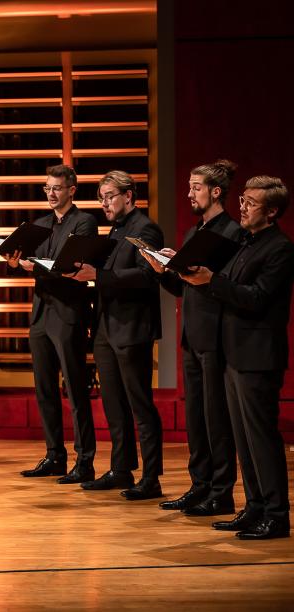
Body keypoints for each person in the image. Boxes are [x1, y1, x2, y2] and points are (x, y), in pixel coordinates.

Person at [181, 176, 293, 540]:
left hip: (257, 357)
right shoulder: (246, 241)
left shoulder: (279, 248)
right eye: (242, 200)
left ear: (272, 212)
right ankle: (254, 507)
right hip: (233, 353)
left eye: (251, 203)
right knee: (243, 440)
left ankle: (276, 515)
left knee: (261, 439)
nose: (242, 208)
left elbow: (257, 297)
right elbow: (229, 285)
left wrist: (211, 281)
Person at [143, 161, 244, 516]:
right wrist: (163, 270)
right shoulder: (193, 232)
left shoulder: (232, 232)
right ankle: (199, 485)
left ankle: (221, 492)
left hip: (216, 335)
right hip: (192, 334)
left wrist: (196, 273)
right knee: (196, 418)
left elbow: (227, 285)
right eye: (189, 187)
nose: (189, 194)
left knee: (217, 419)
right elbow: (184, 288)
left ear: (216, 192)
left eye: (196, 187)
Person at [68, 171, 165, 500]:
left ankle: (151, 478)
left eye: (109, 196)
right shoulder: (115, 230)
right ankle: (121, 469)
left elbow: (146, 276)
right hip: (106, 328)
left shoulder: (146, 229)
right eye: (101, 197)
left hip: (132, 328)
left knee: (140, 405)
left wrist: (99, 275)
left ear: (129, 196)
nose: (104, 203)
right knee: (113, 404)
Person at [3, 165, 98, 483]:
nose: (51, 193)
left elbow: (70, 265)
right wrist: (15, 263)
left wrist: (37, 267)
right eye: (47, 188)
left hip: (68, 311)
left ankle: (84, 461)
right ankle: (54, 455)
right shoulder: (41, 224)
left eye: (57, 188)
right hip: (42, 312)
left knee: (75, 388)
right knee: (44, 389)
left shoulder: (84, 221)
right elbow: (34, 262)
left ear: (72, 190)